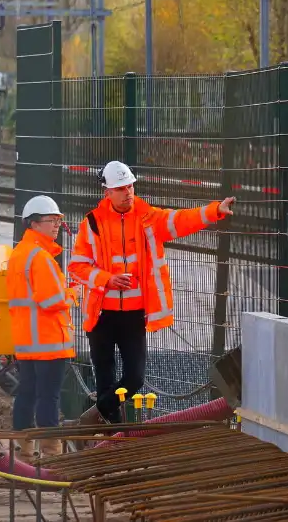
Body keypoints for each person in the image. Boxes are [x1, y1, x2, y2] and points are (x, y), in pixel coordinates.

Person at [68, 160, 236, 423]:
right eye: (121, 188)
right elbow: (77, 267)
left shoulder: (148, 219)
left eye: (130, 186)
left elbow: (181, 220)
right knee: (104, 377)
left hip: (133, 315)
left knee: (134, 379)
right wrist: (107, 279)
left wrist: (215, 210)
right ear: (107, 193)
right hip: (101, 316)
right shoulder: (92, 224)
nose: (128, 192)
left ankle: (93, 417)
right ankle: (110, 435)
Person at [7, 195, 76, 461]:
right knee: (49, 398)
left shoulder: (18, 255)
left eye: (58, 220)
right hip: (49, 342)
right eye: (51, 220)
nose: (56, 225)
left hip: (27, 342)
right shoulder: (41, 258)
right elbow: (52, 300)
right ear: (33, 224)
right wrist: (73, 294)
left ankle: (22, 454)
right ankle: (51, 456)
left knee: (26, 395)